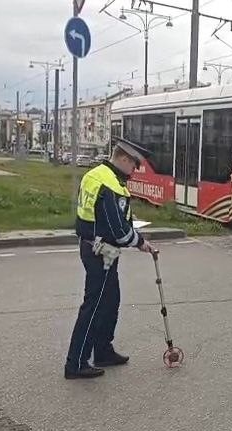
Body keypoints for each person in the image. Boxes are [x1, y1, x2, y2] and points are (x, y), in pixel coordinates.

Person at [65, 137, 156, 380]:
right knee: (94, 306)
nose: (134, 170)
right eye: (134, 164)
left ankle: (103, 350)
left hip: (94, 246)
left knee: (110, 301)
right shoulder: (111, 185)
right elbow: (119, 231)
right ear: (124, 159)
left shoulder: (95, 175)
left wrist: (132, 237)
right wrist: (141, 242)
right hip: (100, 251)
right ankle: (76, 362)